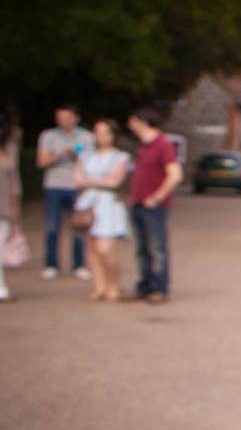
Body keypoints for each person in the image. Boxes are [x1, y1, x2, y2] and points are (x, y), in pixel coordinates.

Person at [74, 119, 133, 302]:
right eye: (98, 132)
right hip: (89, 203)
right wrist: (99, 180)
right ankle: (99, 287)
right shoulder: (86, 155)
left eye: (105, 132)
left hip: (108, 204)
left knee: (105, 248)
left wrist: (90, 180)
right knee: (91, 248)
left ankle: (113, 285)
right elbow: (77, 179)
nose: (101, 136)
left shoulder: (120, 157)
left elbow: (115, 181)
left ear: (113, 135)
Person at [127, 108, 181, 303]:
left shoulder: (163, 145)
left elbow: (175, 175)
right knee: (142, 248)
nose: (130, 125)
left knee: (157, 247)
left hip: (154, 207)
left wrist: (157, 197)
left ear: (143, 122)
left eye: (132, 121)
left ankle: (160, 287)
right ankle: (145, 285)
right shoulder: (143, 146)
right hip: (138, 204)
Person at [36, 104, 90, 280]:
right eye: (59, 118)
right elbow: (41, 162)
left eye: (66, 118)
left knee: (78, 227)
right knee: (52, 227)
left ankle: (79, 265)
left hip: (77, 187)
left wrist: (76, 154)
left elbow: (92, 162)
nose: (62, 121)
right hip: (54, 186)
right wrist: (60, 153)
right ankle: (51, 264)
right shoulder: (48, 136)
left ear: (76, 118)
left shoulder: (87, 137)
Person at [0, 110, 21, 302]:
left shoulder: (10, 149)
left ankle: (1, 289)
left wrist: (16, 209)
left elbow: (15, 181)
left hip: (4, 206)